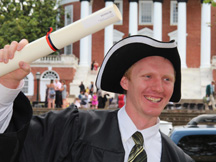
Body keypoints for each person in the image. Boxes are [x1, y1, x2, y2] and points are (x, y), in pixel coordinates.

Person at [0, 36, 194, 162]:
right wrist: (6, 85)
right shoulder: (73, 129)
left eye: (167, 79)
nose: (159, 88)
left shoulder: (179, 159)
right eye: (148, 76)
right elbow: (13, 144)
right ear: (125, 82)